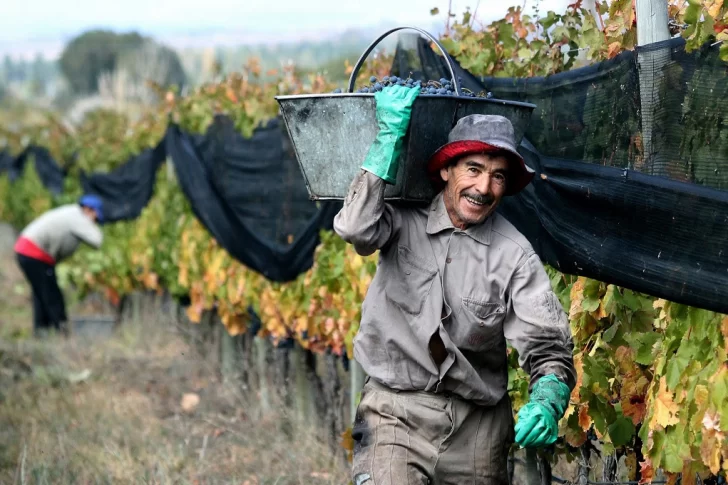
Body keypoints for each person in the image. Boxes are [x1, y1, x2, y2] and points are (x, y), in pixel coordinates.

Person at [334, 85, 576, 485]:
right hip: (394, 413)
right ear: (446, 170)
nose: (484, 188)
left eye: (498, 177)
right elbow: (355, 227)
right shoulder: (401, 220)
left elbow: (547, 345)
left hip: (477, 429)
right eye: (474, 170)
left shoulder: (515, 254)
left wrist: (548, 397)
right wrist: (387, 139)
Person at [14, 194, 104, 338]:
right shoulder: (78, 217)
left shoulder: (71, 213)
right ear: (88, 209)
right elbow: (97, 240)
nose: (95, 222)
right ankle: (61, 334)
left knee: (41, 294)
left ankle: (41, 334)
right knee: (52, 295)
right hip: (33, 253)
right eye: (95, 217)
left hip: (26, 251)